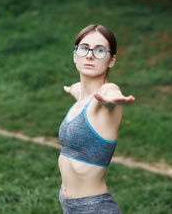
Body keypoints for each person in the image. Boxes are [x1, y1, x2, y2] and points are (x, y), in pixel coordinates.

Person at [58, 24, 135, 213]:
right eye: (84, 48)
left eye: (100, 50)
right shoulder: (81, 97)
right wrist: (73, 90)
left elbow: (109, 94)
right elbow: (78, 89)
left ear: (111, 60)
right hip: (68, 205)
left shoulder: (106, 96)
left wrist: (112, 99)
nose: (90, 55)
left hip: (95, 207)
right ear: (75, 55)